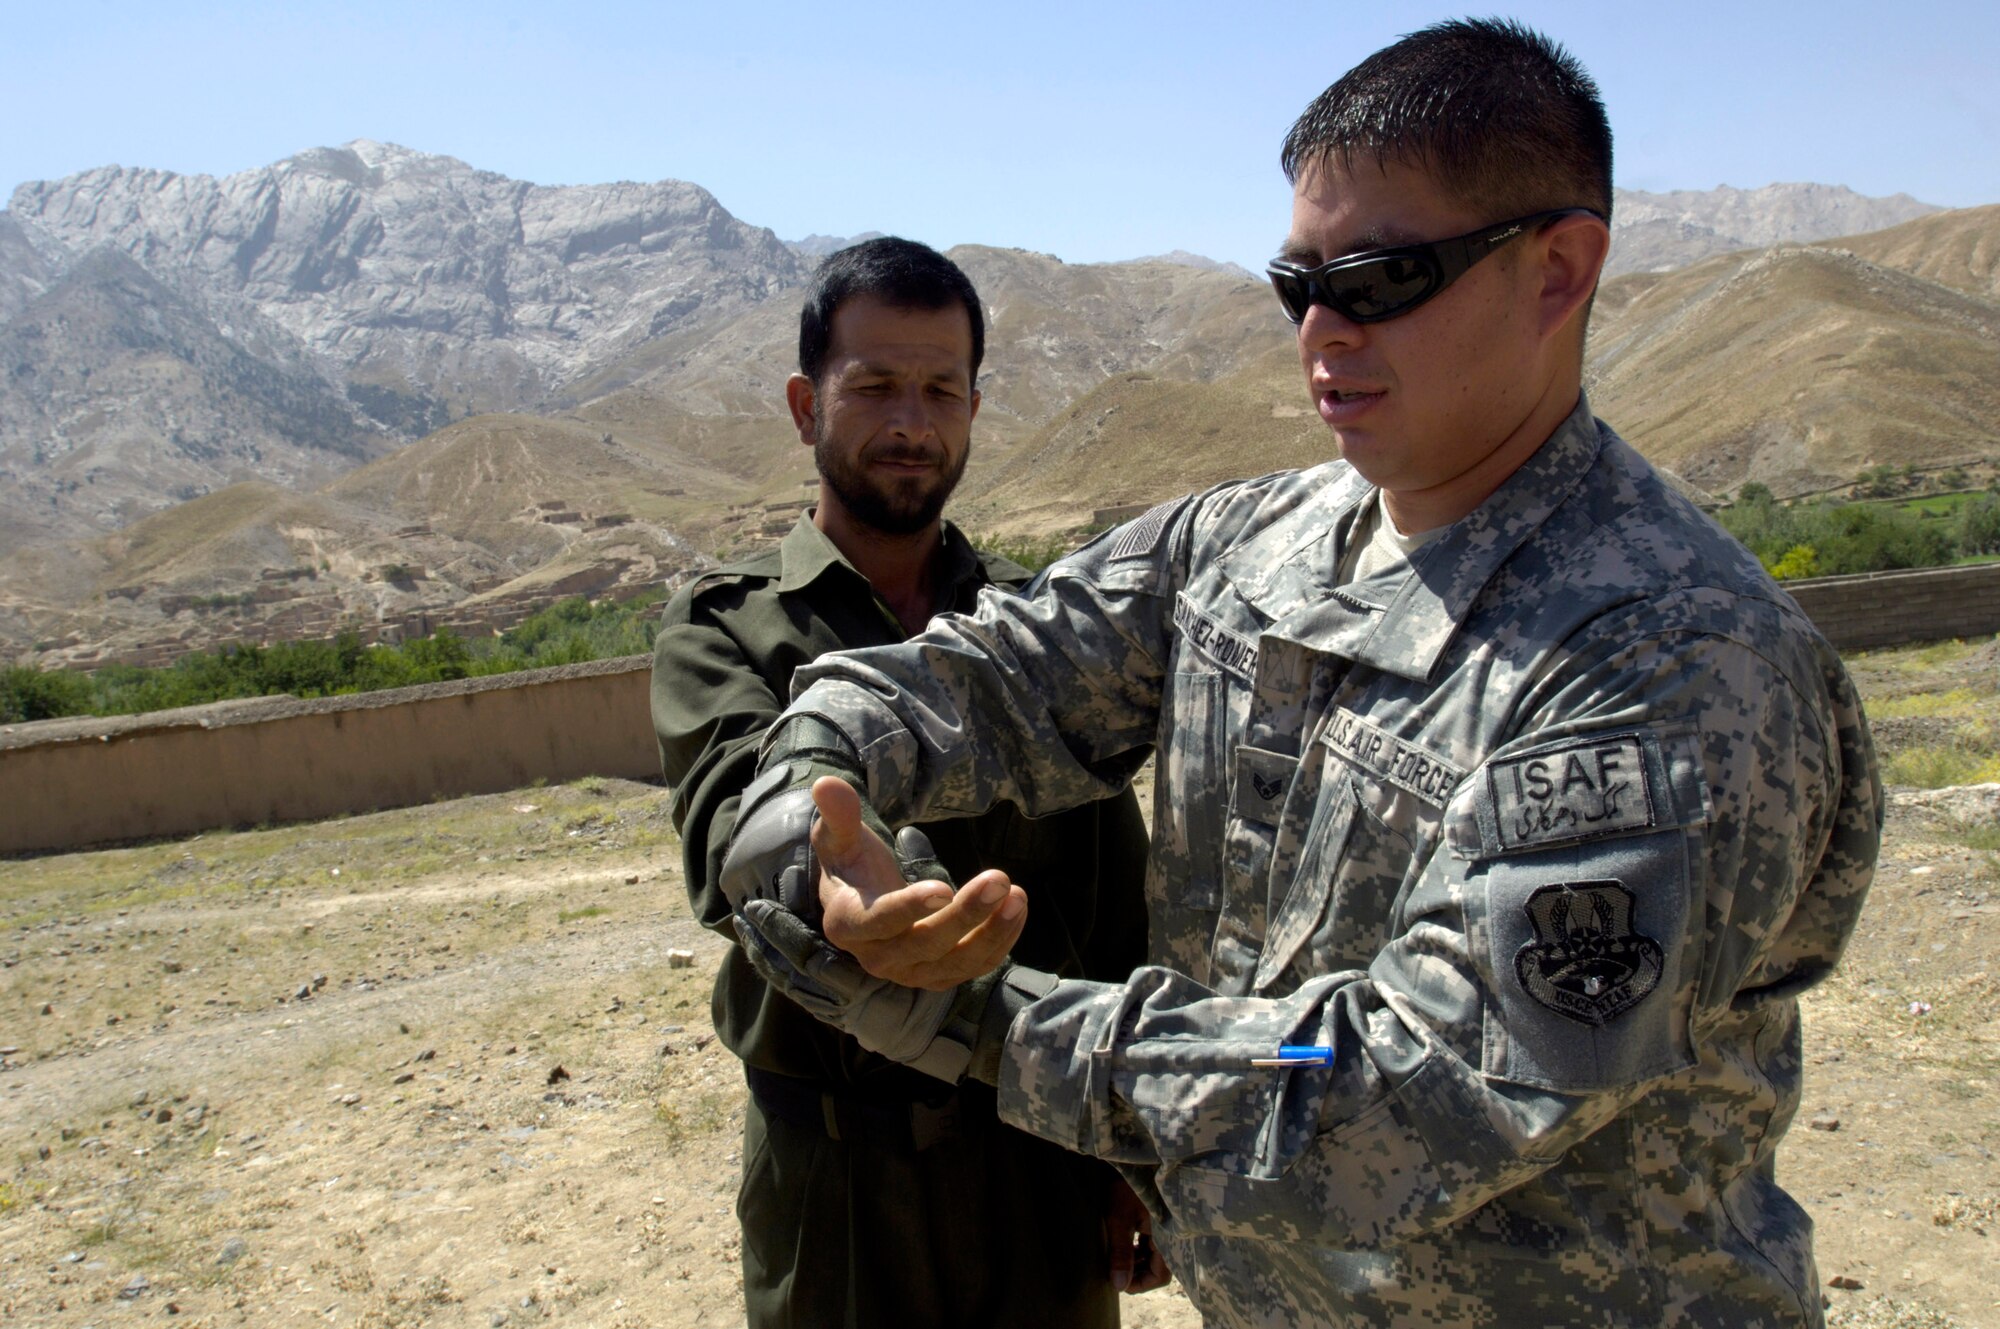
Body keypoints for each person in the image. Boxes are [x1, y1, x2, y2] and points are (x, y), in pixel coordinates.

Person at [721, 21, 1883, 1329]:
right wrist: (817, 824)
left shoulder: (1671, 663)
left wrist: (979, 1015)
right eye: (1299, 286)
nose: (1322, 331)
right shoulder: (1244, 548)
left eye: (1384, 276)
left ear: (1558, 271)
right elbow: (953, 683)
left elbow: (1377, 1084)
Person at [651, 236, 1163, 1329]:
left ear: (974, 409)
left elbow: (1113, 897)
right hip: (835, 1188)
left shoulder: (1034, 635)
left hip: (1039, 1161)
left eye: (940, 390)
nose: (909, 424)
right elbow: (728, 841)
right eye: (873, 386)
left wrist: (1132, 1144)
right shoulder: (727, 631)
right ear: (804, 405)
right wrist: (833, 885)